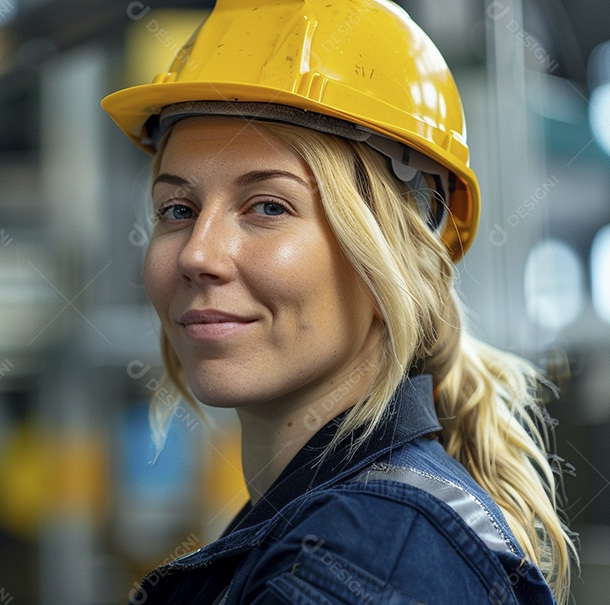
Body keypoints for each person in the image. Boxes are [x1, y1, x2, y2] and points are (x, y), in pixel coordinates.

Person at [102, 0, 575, 603]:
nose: (197, 254)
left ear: (390, 268)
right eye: (178, 210)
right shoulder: (343, 532)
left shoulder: (363, 564)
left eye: (268, 206)